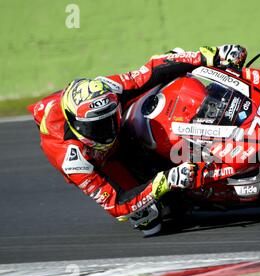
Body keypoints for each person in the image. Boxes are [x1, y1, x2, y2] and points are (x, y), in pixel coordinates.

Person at [28, 44, 248, 237]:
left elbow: (150, 71)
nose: (107, 131)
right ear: (74, 124)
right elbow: (116, 204)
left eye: (109, 119)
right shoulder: (71, 159)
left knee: (169, 73)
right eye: (96, 127)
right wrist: (165, 181)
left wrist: (211, 56)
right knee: (148, 219)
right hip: (103, 163)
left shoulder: (107, 89)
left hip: (125, 126)